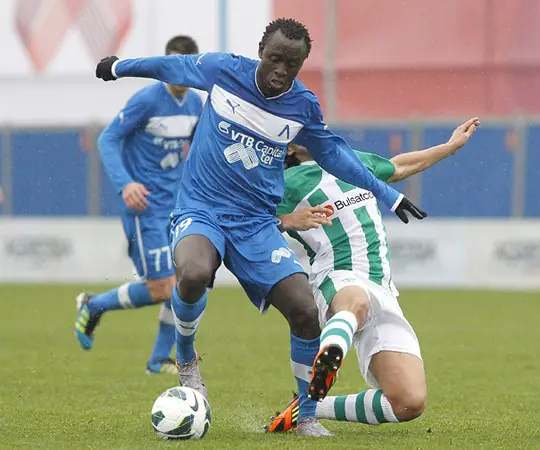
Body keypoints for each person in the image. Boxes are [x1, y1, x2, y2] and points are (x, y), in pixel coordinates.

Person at [94, 18, 425, 436]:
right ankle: (186, 358)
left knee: (305, 310)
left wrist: (388, 194)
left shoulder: (303, 105)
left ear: (301, 65)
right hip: (202, 207)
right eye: (274, 59)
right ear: (260, 52)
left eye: (292, 64)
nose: (280, 71)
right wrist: (119, 66)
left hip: (255, 223)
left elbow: (334, 154)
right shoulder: (223, 70)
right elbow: (169, 67)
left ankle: (306, 414)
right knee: (193, 273)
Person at [266, 118, 480, 433]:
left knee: (408, 402)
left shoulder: (351, 160)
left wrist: (450, 147)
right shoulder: (283, 181)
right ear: (289, 146)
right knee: (356, 301)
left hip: (384, 290)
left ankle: (309, 406)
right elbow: (247, 221)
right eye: (301, 128)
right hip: (337, 276)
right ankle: (330, 355)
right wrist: (286, 221)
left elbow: (399, 165)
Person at [75, 36, 203, 376]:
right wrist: (125, 184)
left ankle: (158, 360)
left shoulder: (195, 104)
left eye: (184, 66)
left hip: (177, 208)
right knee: (163, 288)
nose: (177, 73)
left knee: (186, 284)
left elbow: (198, 151)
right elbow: (108, 138)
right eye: (171, 65)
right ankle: (94, 304)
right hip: (145, 208)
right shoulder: (147, 99)